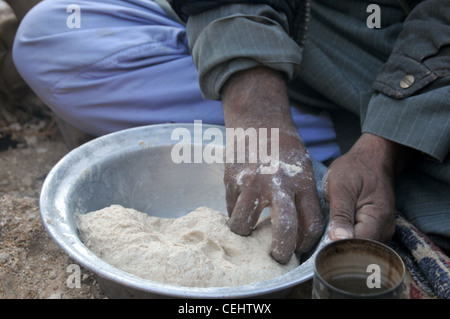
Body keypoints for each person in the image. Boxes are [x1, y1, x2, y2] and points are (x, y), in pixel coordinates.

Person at [11, 0, 450, 264]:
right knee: (50, 34)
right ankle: (288, 121)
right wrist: (254, 106)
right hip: (300, 25)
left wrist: (383, 147)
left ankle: (349, 136)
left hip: (410, 68)